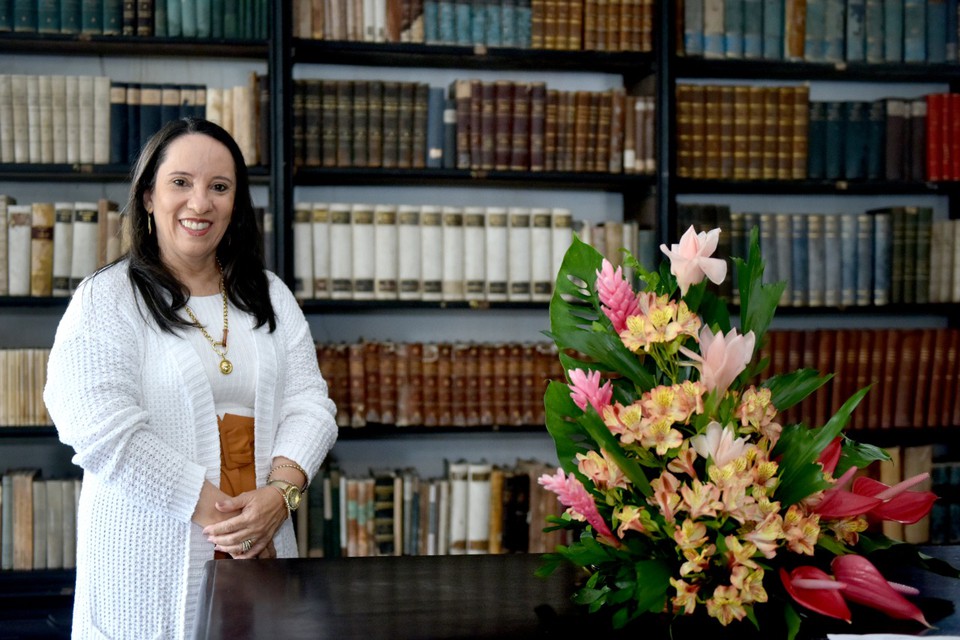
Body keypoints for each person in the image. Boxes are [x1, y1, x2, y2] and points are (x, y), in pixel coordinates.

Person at [43, 117, 338, 639]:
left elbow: (311, 406)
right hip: (148, 565)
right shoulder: (106, 299)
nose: (200, 203)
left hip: (267, 549)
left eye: (219, 187)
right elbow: (100, 429)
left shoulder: (270, 295)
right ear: (149, 196)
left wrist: (278, 499)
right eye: (181, 182)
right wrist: (231, 523)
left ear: (235, 204)